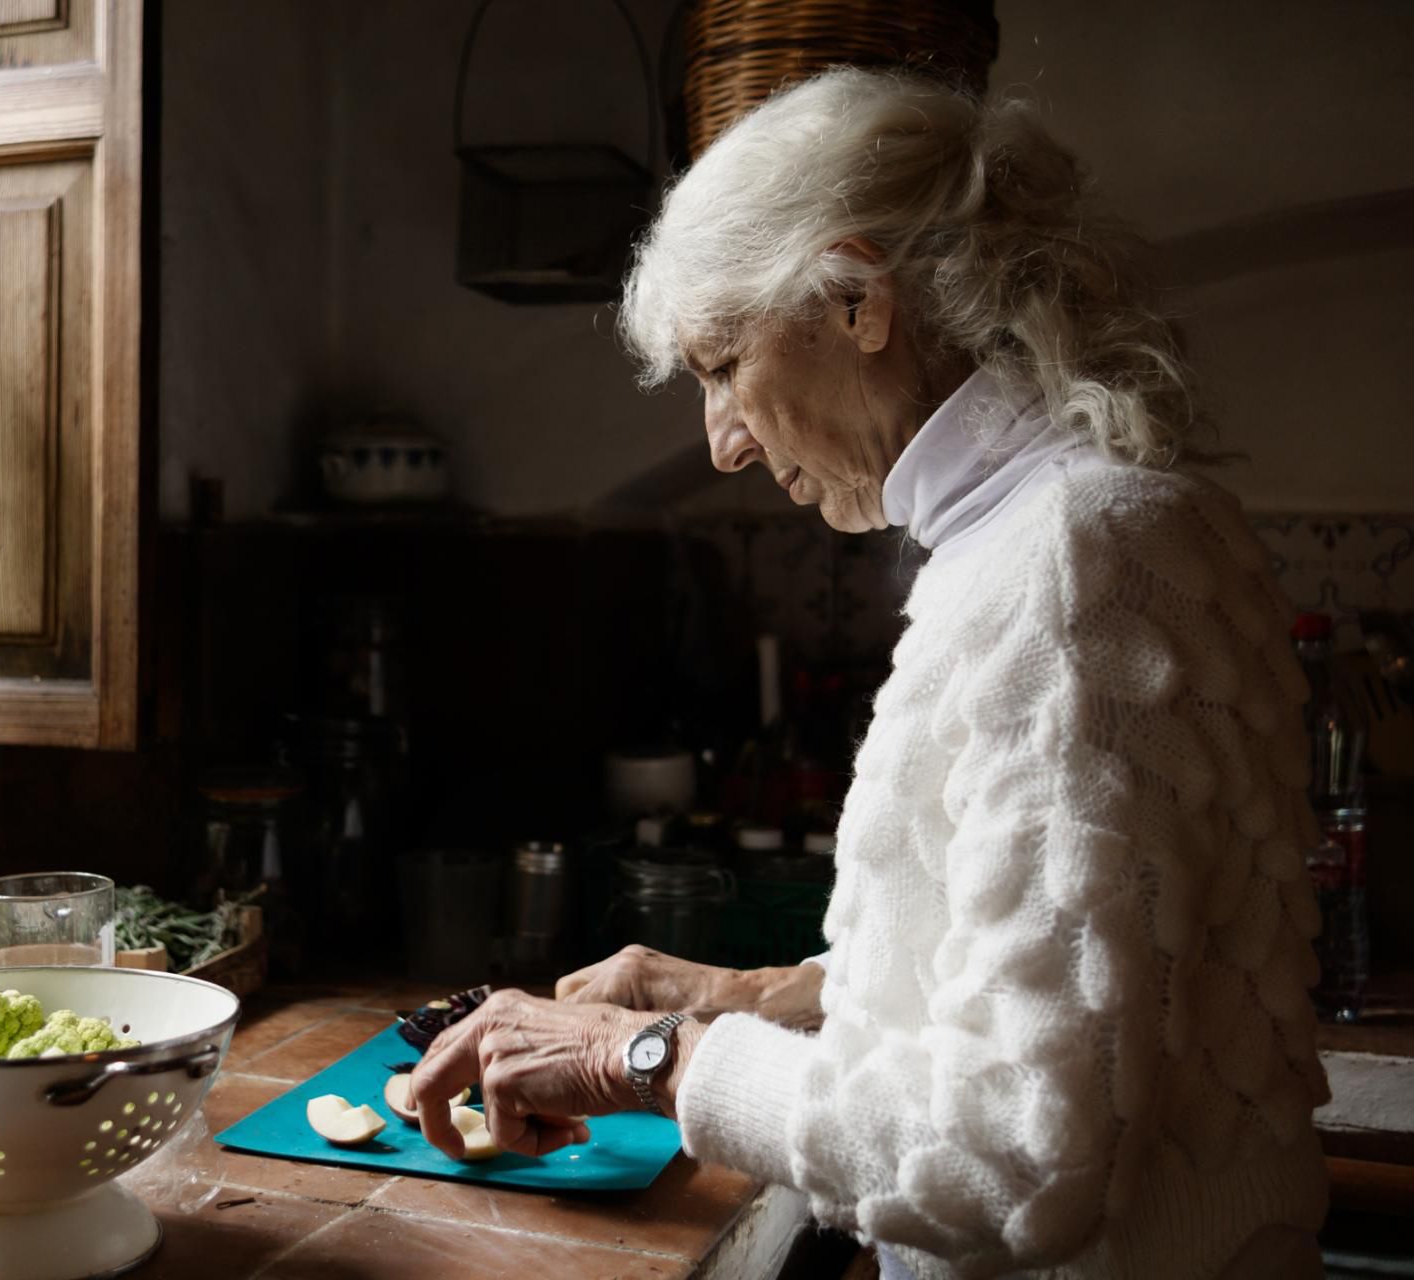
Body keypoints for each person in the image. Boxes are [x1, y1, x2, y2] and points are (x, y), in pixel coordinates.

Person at [409, 68, 1331, 1278]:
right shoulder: (1091, 524)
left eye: (723, 362)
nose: (723, 440)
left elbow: (1015, 1155)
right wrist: (749, 992)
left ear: (856, 298)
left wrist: (641, 1057)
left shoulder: (1067, 558)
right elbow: (1059, 977)